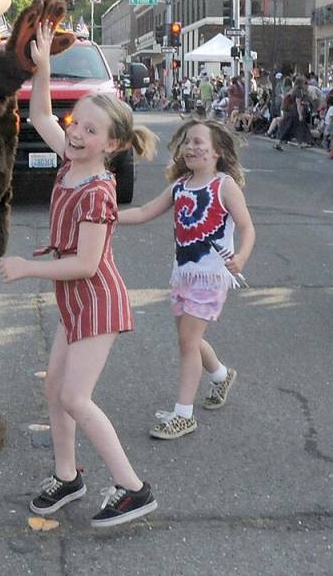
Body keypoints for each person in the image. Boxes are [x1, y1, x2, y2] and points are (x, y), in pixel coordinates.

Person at [0, 22, 158, 528]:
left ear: (111, 145)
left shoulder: (96, 190)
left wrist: (28, 268)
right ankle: (68, 477)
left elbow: (87, 264)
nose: (76, 133)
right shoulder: (69, 160)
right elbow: (41, 112)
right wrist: (43, 68)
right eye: (77, 124)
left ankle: (133, 488)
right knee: (55, 391)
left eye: (92, 131)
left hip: (96, 299)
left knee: (73, 396)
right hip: (75, 300)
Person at [119, 117, 255, 440]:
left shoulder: (224, 186)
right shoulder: (180, 186)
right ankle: (221, 375)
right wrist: (106, 216)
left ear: (217, 151)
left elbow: (247, 227)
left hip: (211, 277)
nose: (190, 148)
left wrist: (241, 257)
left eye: (198, 142)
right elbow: (143, 212)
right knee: (188, 340)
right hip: (183, 274)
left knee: (188, 342)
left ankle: (183, 414)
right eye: (187, 142)